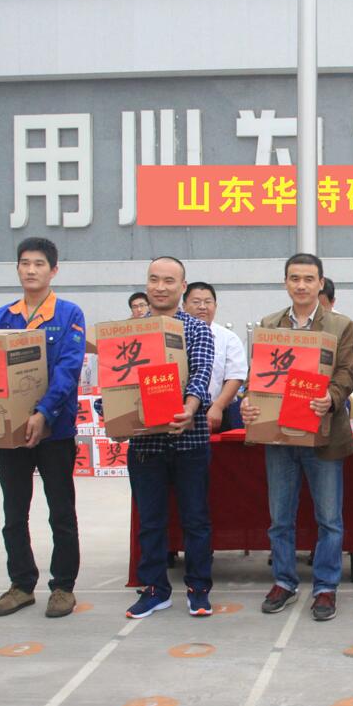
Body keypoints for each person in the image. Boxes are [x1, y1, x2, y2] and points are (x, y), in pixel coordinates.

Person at [0, 238, 87, 618]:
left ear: (53, 270)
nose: (31, 270)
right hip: (10, 435)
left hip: (54, 432)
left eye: (39, 263)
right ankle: (21, 585)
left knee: (61, 512)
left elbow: (68, 370)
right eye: (25, 263)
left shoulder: (68, 313)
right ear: (18, 268)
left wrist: (43, 413)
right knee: (13, 514)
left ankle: (63, 587)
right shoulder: (2, 317)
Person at [241, 253, 353, 622]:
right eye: (295, 278)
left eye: (309, 279)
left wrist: (332, 398)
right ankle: (284, 582)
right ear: (285, 283)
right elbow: (257, 377)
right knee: (280, 517)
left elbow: (346, 374)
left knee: (329, 519)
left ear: (320, 283)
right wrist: (248, 402)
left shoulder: (340, 325)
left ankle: (325, 587)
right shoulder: (269, 325)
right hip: (279, 436)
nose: (302, 285)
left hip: (323, 435)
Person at [106, 257, 215, 619]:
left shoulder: (196, 329)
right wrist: (117, 418)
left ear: (182, 287)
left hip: (189, 439)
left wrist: (189, 407)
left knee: (196, 519)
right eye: (154, 280)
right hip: (145, 444)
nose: (160, 287)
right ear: (146, 284)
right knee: (150, 521)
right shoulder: (128, 332)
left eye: (169, 281)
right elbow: (117, 385)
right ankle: (155, 589)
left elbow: (200, 373)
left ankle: (199, 589)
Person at [183, 282, 247, 433]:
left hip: (215, 411)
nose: (202, 307)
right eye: (196, 302)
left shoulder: (228, 337)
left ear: (215, 306)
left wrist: (218, 406)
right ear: (184, 306)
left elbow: (235, 376)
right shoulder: (174, 333)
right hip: (179, 411)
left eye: (208, 302)